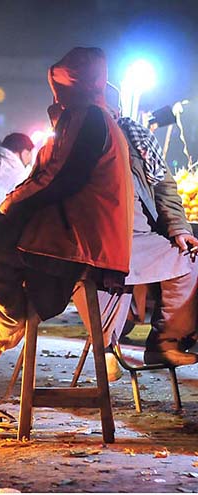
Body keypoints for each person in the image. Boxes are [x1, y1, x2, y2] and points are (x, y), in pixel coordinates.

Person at [0, 47, 133, 359]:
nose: (57, 96)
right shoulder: (84, 116)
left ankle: (16, 320)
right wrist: (14, 204)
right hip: (76, 225)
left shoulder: (90, 117)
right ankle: (19, 316)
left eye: (62, 88)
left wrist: (15, 206)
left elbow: (64, 178)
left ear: (75, 86)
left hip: (85, 235)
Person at [71, 115, 198, 374]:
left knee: (189, 259)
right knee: (89, 274)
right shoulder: (74, 136)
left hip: (141, 238)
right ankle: (106, 347)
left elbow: (164, 187)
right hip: (95, 240)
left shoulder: (134, 138)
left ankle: (164, 343)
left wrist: (178, 228)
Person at [0, 133, 35, 214]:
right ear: (21, 153)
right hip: (1, 222)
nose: (30, 159)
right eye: (28, 154)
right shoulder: (19, 174)